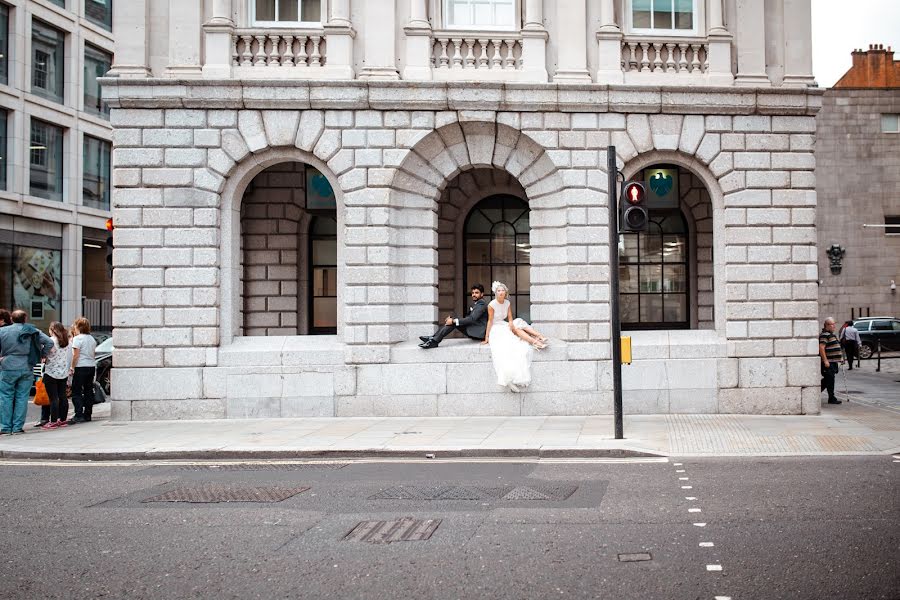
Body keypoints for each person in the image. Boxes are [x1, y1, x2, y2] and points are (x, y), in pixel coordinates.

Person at [0, 310, 53, 434]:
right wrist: (42, 355)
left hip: (7, 365)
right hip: (27, 365)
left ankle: (6, 427)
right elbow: (49, 342)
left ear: (12, 319)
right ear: (25, 319)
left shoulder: (2, 331)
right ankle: (18, 427)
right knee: (22, 397)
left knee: (5, 396)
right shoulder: (32, 330)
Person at [483, 281, 534, 393]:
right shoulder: (491, 305)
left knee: (516, 346)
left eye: (502, 290)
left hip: (503, 325)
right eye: (499, 290)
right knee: (503, 349)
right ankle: (507, 378)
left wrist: (510, 323)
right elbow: (490, 321)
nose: (501, 292)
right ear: (496, 293)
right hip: (495, 329)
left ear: (506, 292)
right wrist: (487, 337)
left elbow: (510, 317)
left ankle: (515, 376)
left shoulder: (507, 303)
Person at [419, 284, 488, 349]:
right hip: (474, 328)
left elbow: (472, 319)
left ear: (482, 294)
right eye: (472, 293)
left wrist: (453, 321)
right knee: (453, 320)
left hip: (478, 332)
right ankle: (434, 338)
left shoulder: (481, 304)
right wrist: (453, 320)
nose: (473, 295)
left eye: (476, 293)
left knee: (453, 322)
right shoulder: (478, 303)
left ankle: (434, 341)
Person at [41, 322, 71, 429]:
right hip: (63, 373)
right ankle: (62, 419)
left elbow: (45, 355)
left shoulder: (50, 341)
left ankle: (53, 421)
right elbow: (69, 358)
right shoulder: (67, 342)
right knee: (63, 397)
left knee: (53, 398)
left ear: (52, 330)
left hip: (51, 372)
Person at [69, 317, 97, 423]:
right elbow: (93, 354)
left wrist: (72, 367)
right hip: (91, 366)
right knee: (88, 391)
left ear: (78, 327)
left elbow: (76, 355)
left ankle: (79, 414)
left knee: (76, 391)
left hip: (81, 366)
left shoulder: (78, 339)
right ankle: (88, 414)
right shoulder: (91, 339)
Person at [819, 317, 843, 405]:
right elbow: (821, 347)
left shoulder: (831, 334)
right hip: (828, 362)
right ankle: (831, 398)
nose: (834, 326)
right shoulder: (825, 335)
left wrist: (840, 358)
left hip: (833, 361)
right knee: (829, 380)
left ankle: (816, 393)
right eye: (832, 324)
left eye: (834, 324)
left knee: (828, 380)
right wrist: (825, 361)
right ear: (826, 325)